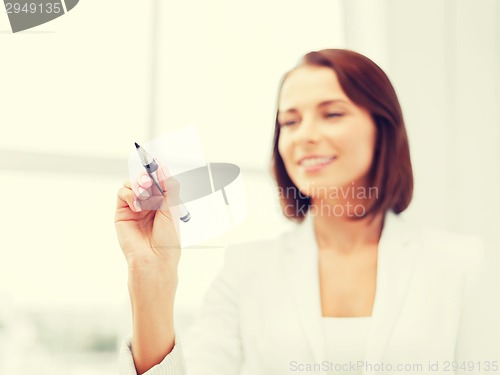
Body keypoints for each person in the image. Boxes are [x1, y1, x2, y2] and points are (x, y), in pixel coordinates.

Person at [115, 49, 486, 375]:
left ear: (382, 129)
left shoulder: (461, 264)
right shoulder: (246, 270)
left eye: (332, 113)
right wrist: (151, 273)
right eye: (290, 121)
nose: (304, 135)